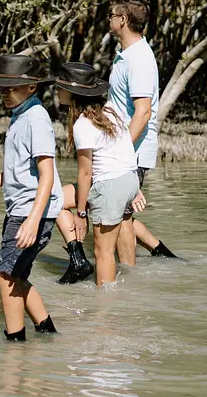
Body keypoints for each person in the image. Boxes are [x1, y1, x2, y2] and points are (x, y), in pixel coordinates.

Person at [0, 55, 63, 341]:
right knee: (17, 276)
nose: (3, 92)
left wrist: (32, 221)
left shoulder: (36, 118)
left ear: (31, 87)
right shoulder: (20, 115)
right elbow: (19, 167)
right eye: (1, 86)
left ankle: (15, 345)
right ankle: (47, 332)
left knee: (5, 277)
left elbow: (46, 174)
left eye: (10, 87)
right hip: (23, 209)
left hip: (30, 212)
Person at [54, 63, 144, 286]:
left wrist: (81, 214)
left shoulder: (83, 124)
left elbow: (85, 173)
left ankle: (104, 313)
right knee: (54, 199)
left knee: (102, 252)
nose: (57, 91)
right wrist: (135, 188)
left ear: (73, 93)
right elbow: (124, 152)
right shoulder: (110, 111)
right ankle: (82, 261)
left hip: (109, 186)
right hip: (128, 179)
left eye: (61, 87)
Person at [107, 0, 178, 261]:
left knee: (121, 215)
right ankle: (161, 252)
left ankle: (128, 277)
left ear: (123, 20)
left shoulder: (138, 58)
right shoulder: (126, 55)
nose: (109, 19)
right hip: (122, 148)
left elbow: (143, 112)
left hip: (130, 151)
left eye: (111, 15)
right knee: (111, 208)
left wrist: (120, 152)